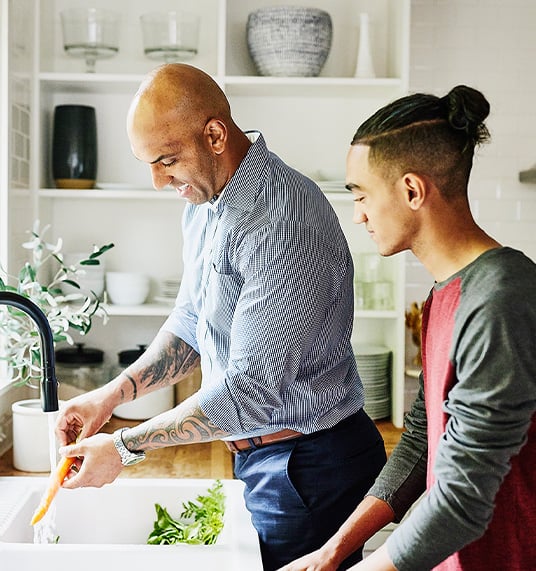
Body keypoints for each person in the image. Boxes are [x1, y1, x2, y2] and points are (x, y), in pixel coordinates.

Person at [54, 63, 387, 571]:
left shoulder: (281, 221)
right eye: (149, 164)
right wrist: (111, 396)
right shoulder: (207, 205)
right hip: (264, 455)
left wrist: (123, 447)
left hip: (309, 466)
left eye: (166, 161)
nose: (159, 181)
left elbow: (251, 393)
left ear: (214, 134)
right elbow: (193, 322)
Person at [279, 85, 536, 571]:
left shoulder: (502, 297)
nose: (358, 215)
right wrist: (332, 553)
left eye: (361, 195)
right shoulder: (446, 292)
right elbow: (422, 440)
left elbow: (462, 498)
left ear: (412, 190)